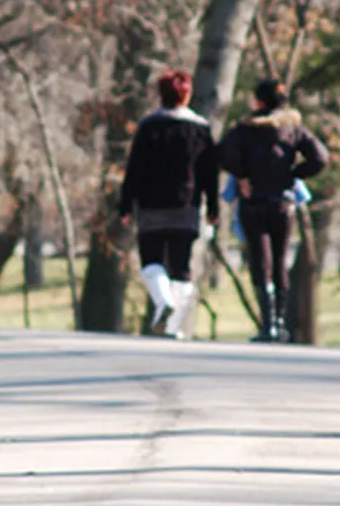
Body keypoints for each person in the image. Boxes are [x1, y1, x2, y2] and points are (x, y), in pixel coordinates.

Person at [218, 80, 328, 342]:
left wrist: (242, 175)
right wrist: (293, 174)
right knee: (280, 261)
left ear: (259, 102)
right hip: (283, 204)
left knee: (260, 260)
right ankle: (280, 323)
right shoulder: (292, 129)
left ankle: (268, 325)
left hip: (254, 202)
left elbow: (222, 153)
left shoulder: (245, 130)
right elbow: (320, 158)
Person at [118, 70, 219, 338]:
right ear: (186, 94)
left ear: (160, 95)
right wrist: (214, 209)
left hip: (151, 205)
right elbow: (209, 172)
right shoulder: (201, 129)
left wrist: (125, 204)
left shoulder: (149, 126)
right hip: (187, 206)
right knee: (181, 266)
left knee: (151, 260)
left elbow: (135, 169)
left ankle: (164, 302)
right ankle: (173, 327)